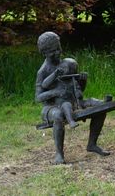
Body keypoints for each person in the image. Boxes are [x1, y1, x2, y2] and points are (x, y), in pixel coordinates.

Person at [35, 31, 104, 163]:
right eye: (52, 51)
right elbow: (38, 97)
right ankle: (59, 155)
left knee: (101, 106)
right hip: (52, 107)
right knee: (58, 115)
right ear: (44, 53)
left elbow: (77, 89)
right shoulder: (43, 71)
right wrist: (56, 92)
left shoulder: (70, 64)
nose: (57, 53)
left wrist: (83, 81)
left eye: (58, 48)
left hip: (74, 102)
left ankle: (92, 144)